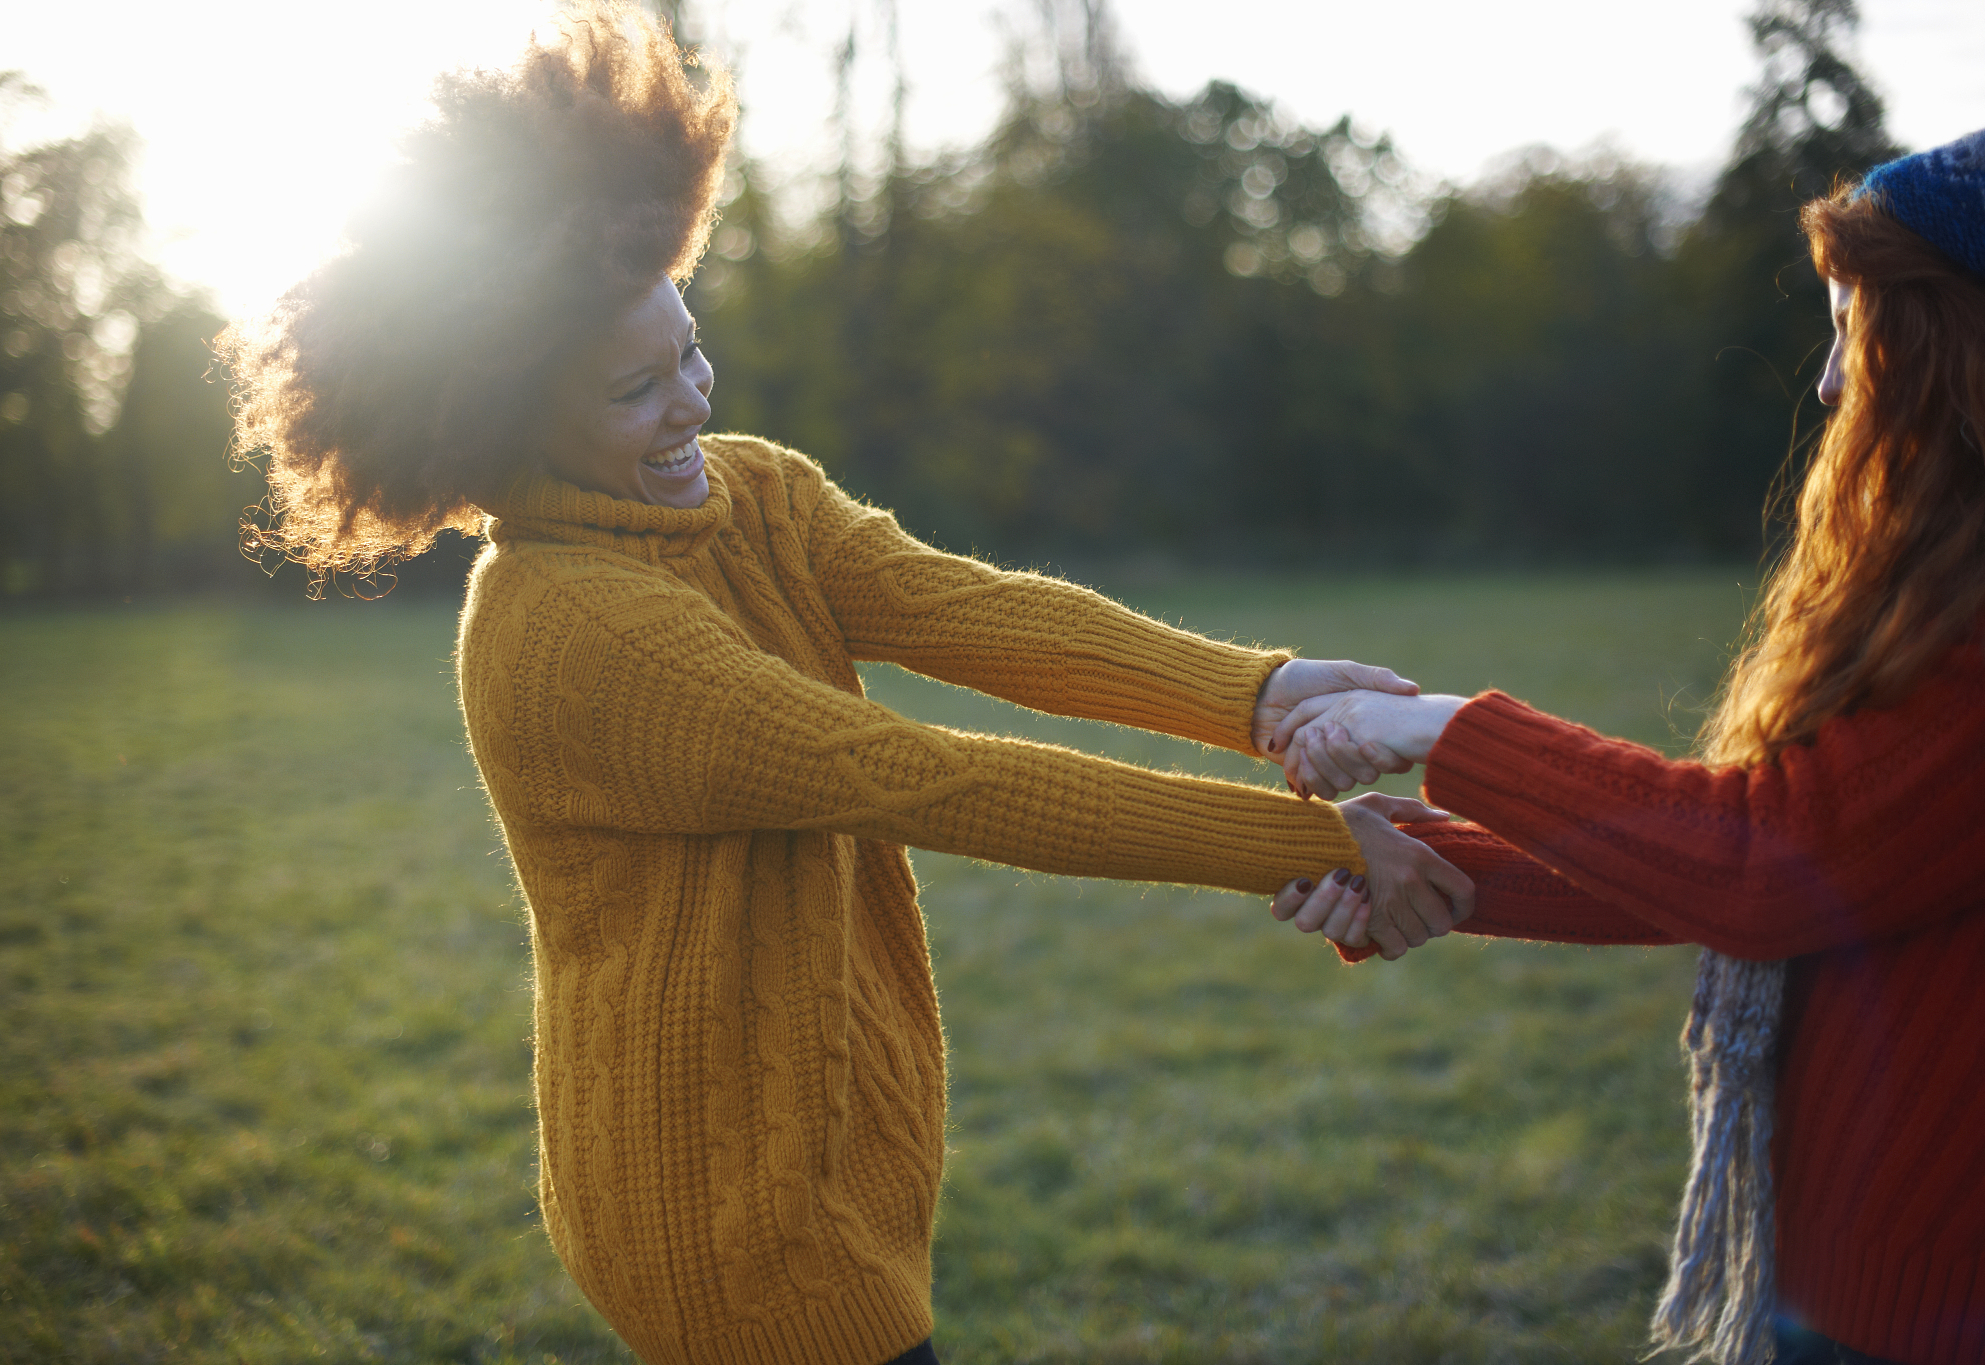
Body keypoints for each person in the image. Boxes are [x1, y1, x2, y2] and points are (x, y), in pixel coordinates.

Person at [219, 7, 1470, 1362]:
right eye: (637, 387)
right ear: (523, 422)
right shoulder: (571, 631)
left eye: (691, 348)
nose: (693, 399)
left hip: (816, 1143)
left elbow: (972, 613)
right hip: (719, 1203)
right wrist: (1293, 838)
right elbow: (924, 773)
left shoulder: (753, 495)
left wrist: (1260, 693)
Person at [1266, 129, 1985, 1365]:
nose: (1823, 384)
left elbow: (1766, 863)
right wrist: (1439, 866)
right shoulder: (1948, 590)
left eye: (1851, 330)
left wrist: (1435, 729)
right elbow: (1823, 864)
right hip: (1858, 1280)